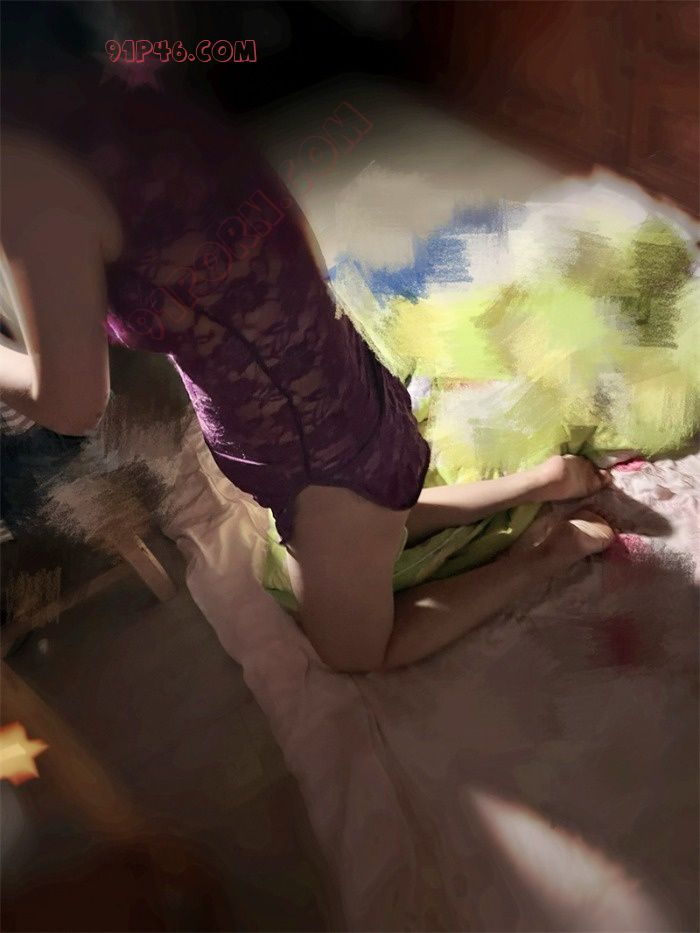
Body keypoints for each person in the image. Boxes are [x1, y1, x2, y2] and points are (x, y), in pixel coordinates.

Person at [1, 72, 615, 675]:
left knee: (353, 654)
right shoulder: (122, 78)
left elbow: (72, 404)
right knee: (376, 519)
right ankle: (539, 482)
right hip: (351, 385)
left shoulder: (25, 171)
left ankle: (548, 555)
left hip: (322, 464)